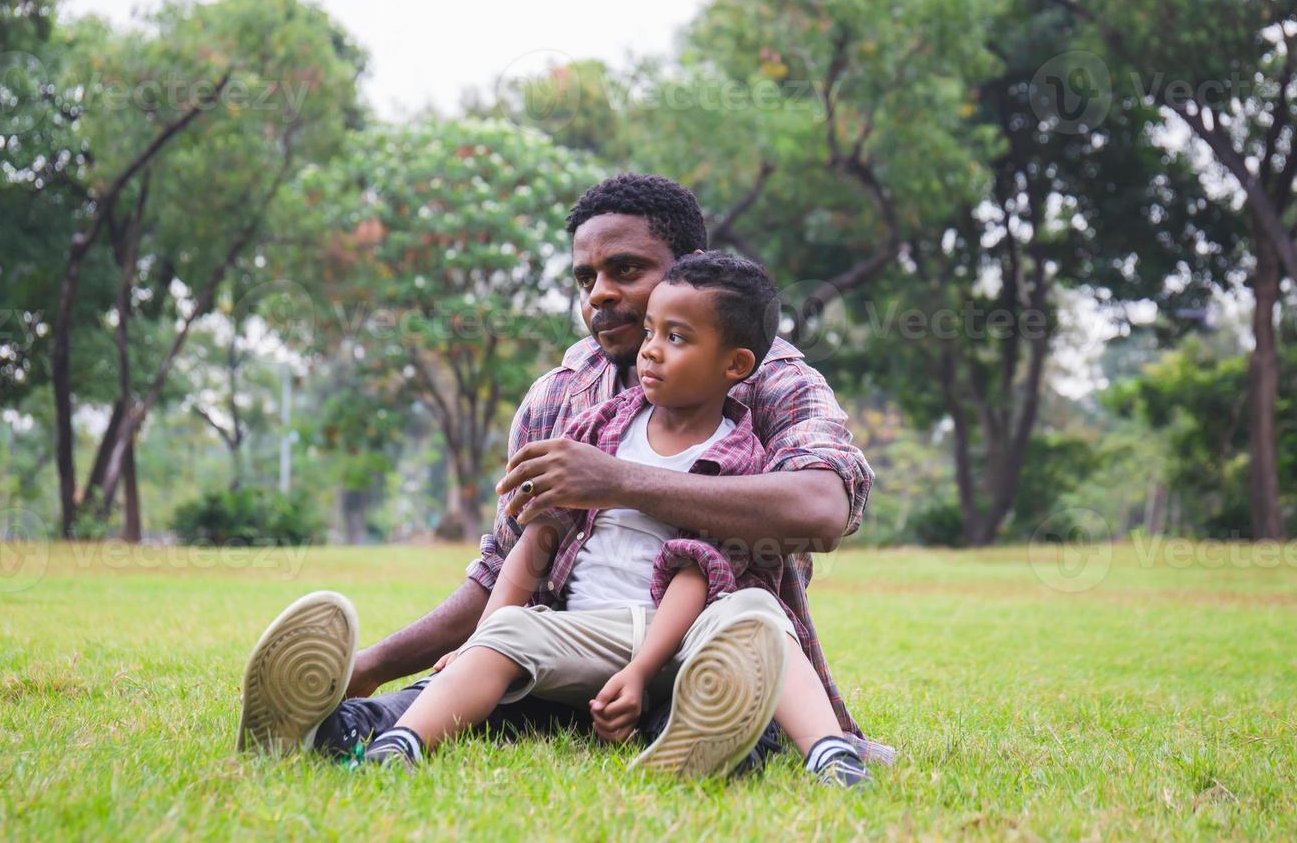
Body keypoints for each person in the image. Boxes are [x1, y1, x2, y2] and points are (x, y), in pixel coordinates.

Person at [236, 173, 893, 775]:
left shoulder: (767, 374)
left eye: (625, 270)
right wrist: (371, 667)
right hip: (567, 652)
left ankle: (721, 741)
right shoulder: (560, 396)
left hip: (706, 645)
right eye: (585, 279)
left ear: (685, 273)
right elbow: (503, 568)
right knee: (466, 688)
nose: (600, 293)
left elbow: (821, 506)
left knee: (722, 687)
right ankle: (340, 724)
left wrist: (617, 482)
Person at [347, 252, 870, 786]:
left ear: (734, 365)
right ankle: (397, 741)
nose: (651, 350)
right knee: (505, 631)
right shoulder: (592, 419)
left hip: (687, 634)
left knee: (757, 613)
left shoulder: (740, 448)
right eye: (650, 332)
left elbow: (708, 562)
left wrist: (641, 667)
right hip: (585, 629)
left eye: (676, 337)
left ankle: (829, 755)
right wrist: (477, 639)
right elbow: (534, 539)